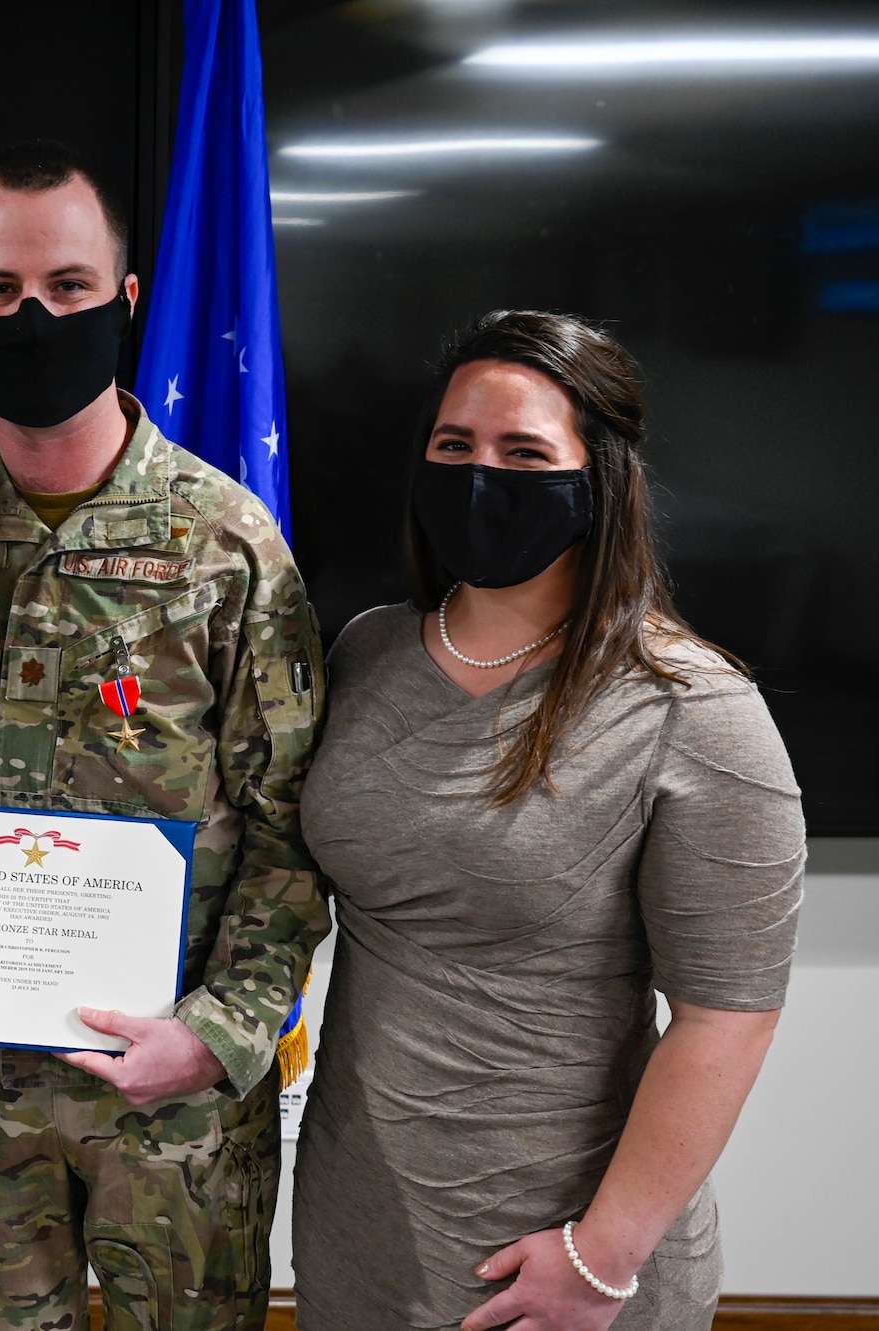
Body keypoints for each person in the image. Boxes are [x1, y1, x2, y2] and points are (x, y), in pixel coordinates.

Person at [0, 139, 327, 1331]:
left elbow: (294, 825)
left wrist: (214, 1037)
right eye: (0, 292)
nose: (35, 314)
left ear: (124, 300)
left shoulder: (226, 544)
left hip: (176, 1101)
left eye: (66, 286)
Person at [291, 310, 804, 1331]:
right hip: (359, 1222)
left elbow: (725, 1017)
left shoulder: (694, 711)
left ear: (598, 477)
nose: (480, 474)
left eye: (524, 452)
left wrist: (600, 1257)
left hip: (562, 1259)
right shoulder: (366, 651)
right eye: (453, 446)